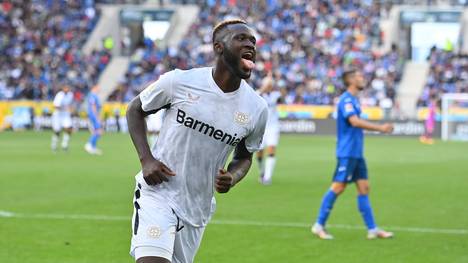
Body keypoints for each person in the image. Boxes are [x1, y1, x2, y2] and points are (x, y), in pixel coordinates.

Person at [125, 19, 268, 263]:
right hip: (158, 194)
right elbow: (135, 109)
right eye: (241, 39)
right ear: (218, 47)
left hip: (196, 208)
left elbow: (244, 157)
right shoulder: (179, 82)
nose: (250, 45)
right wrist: (146, 159)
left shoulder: (257, 108)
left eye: (253, 41)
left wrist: (233, 176)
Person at [311, 69, 394, 240]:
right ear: (350, 80)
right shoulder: (346, 100)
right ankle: (318, 225)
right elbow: (354, 121)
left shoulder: (355, 100)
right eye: (359, 76)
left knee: (364, 188)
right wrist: (380, 128)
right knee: (338, 187)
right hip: (347, 153)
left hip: (356, 153)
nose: (363, 78)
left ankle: (372, 229)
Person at [256, 72, 282, 185]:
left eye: (270, 84)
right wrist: (264, 88)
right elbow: (256, 96)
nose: (269, 86)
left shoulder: (276, 94)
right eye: (267, 84)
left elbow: (283, 96)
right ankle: (262, 171)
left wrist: (276, 81)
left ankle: (267, 177)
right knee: (260, 152)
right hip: (261, 127)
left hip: (273, 126)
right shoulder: (258, 94)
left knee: (271, 149)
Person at [51, 84, 74, 152]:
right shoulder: (59, 95)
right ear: (63, 88)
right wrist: (64, 108)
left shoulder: (70, 94)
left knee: (69, 128)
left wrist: (71, 109)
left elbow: (70, 104)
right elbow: (55, 106)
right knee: (57, 131)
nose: (67, 89)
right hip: (58, 115)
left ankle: (64, 145)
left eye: (68, 88)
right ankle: (54, 145)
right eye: (65, 88)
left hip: (65, 114)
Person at [85, 85, 104, 155]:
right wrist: (97, 116)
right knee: (99, 131)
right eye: (98, 88)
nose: (99, 90)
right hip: (94, 116)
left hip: (94, 115)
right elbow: (93, 106)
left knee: (98, 131)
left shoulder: (93, 95)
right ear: (94, 88)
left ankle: (93, 147)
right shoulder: (93, 95)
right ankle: (89, 145)